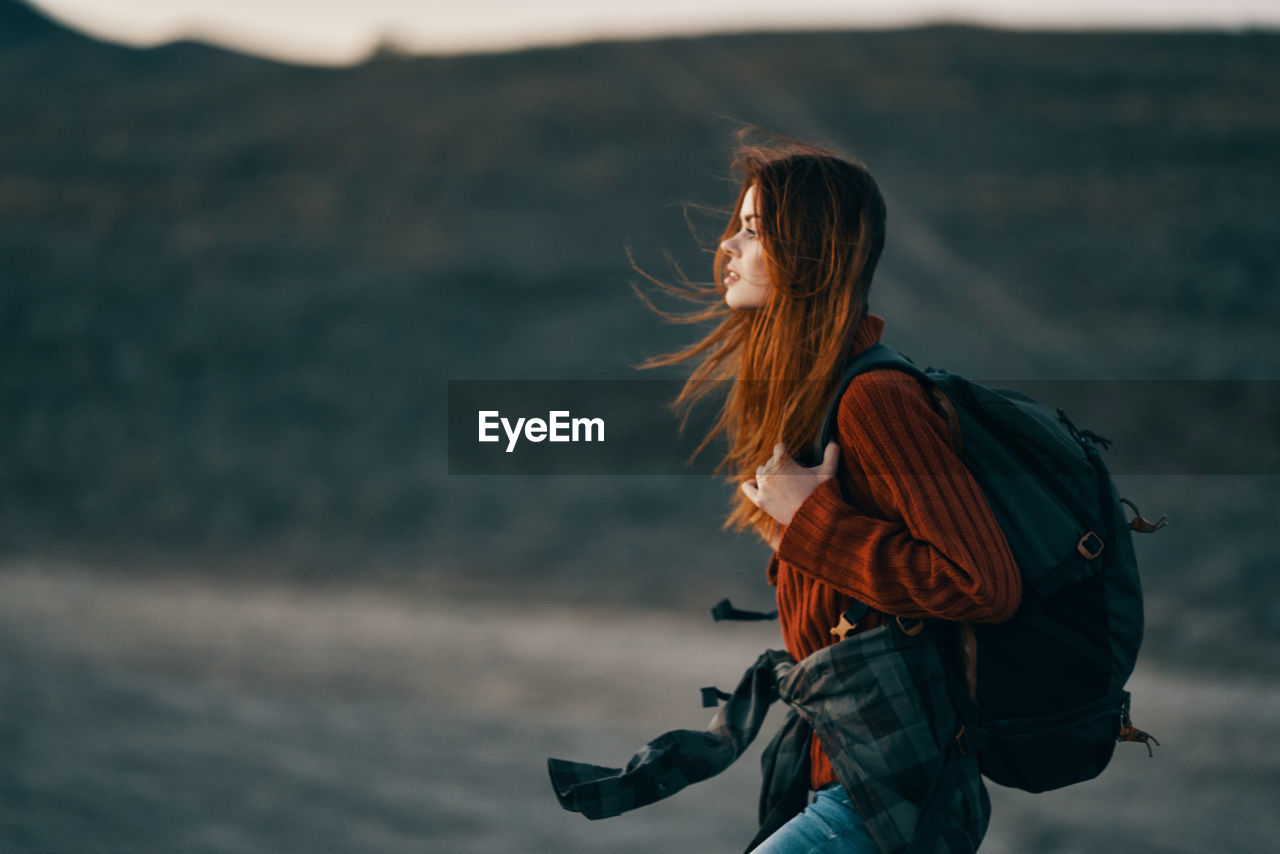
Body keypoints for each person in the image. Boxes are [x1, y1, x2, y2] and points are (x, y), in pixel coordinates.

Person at [642, 134, 1023, 852]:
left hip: (887, 799)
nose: (727, 245)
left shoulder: (877, 401)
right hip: (849, 779)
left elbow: (984, 582)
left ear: (807, 250)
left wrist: (813, 522)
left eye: (752, 231)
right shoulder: (818, 400)